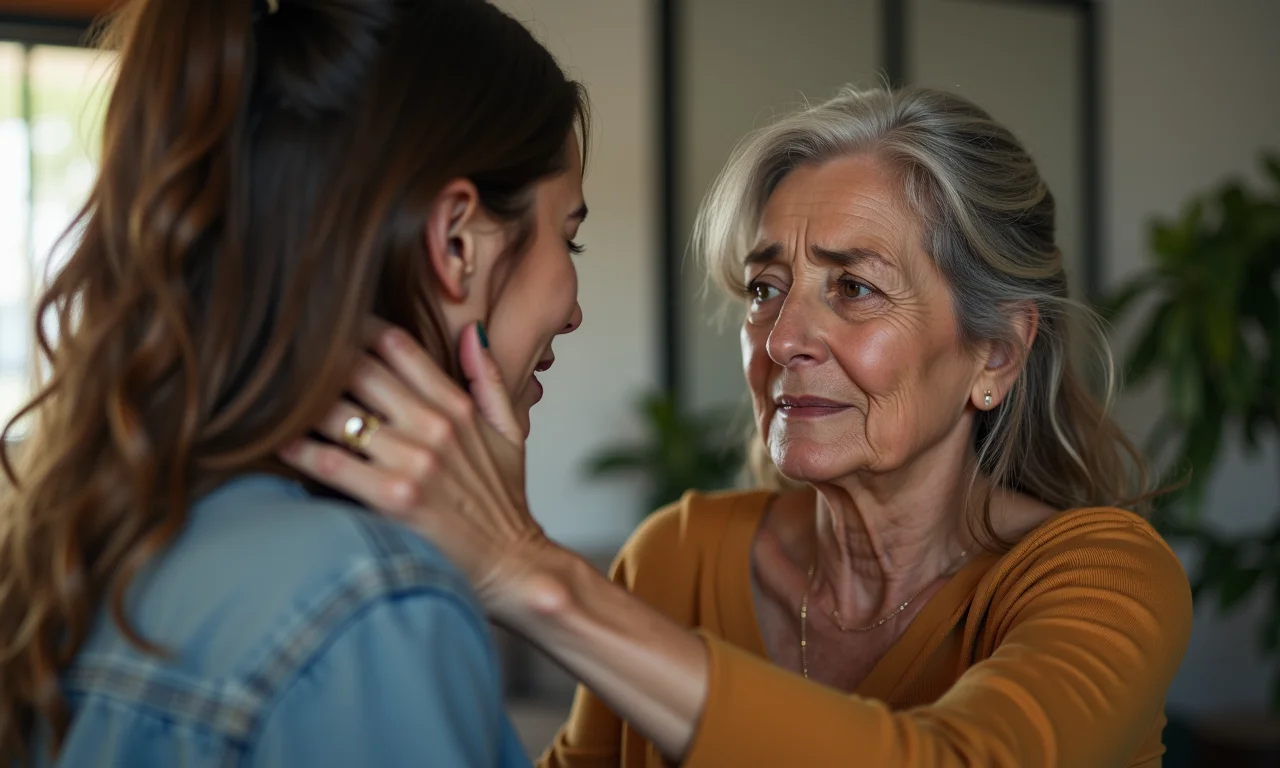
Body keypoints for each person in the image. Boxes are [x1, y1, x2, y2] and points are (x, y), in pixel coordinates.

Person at [285, 85, 1194, 767]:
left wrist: (534, 573)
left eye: (854, 287)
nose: (784, 338)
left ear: (995, 354)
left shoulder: (1101, 579)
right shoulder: (676, 558)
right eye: (766, 289)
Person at [0, 0, 589, 765]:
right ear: (454, 242)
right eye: (567, 235)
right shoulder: (366, 609)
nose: (573, 310)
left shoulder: (95, 539)